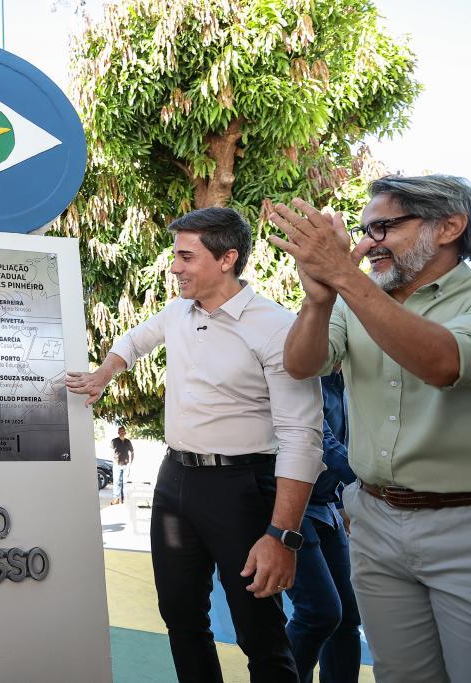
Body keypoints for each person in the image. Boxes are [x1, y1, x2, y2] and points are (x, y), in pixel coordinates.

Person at [67, 207, 324, 682]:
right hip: (174, 481)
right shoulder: (177, 312)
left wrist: (281, 535)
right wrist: (104, 373)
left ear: (227, 258)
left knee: (259, 633)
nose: (174, 267)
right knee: (181, 617)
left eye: (186, 257)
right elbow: (134, 341)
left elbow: (301, 438)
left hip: (241, 488)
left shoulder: (277, 327)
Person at [269, 175, 471, 683]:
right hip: (375, 520)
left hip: (462, 524)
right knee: (400, 674)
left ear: (450, 227)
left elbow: (443, 362)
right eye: (364, 230)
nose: (368, 243)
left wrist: (343, 275)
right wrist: (319, 300)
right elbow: (301, 364)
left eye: (384, 227)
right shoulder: (355, 298)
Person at [285, 370, 361, 682]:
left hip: (326, 505)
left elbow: (348, 441)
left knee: (348, 617)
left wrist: (343, 501)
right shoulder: (305, 379)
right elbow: (322, 441)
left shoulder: (347, 383)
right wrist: (376, 480)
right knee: (318, 613)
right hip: (292, 503)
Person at [110, 426, 135, 504]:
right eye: (120, 431)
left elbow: (132, 452)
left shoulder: (128, 441)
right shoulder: (114, 441)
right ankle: (116, 499)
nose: (122, 432)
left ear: (125, 432)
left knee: (124, 483)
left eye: (123, 431)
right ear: (118, 432)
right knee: (116, 482)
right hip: (117, 464)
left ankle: (124, 499)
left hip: (126, 465)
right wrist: (114, 461)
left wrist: (131, 463)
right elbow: (111, 451)